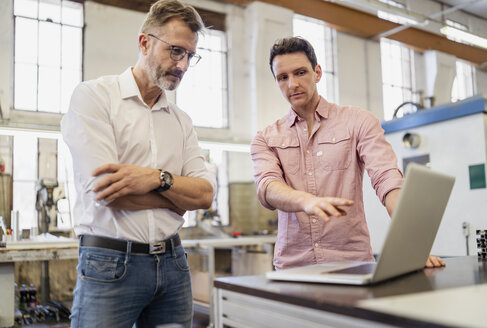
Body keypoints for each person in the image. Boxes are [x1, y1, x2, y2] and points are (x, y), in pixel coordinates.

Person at [61, 1, 215, 327]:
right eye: (175, 51)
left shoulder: (181, 120)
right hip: (110, 262)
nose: (183, 64)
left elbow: (204, 195)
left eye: (190, 55)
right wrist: (176, 199)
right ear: (144, 42)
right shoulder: (94, 98)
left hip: (174, 263)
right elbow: (107, 193)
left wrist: (156, 178)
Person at [251, 37, 445, 271]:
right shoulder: (266, 138)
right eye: (283, 77)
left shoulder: (358, 122)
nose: (292, 84)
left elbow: (388, 180)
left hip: (352, 265)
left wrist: (414, 245)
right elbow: (268, 187)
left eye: (300, 72)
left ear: (317, 73)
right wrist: (307, 201)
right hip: (293, 269)